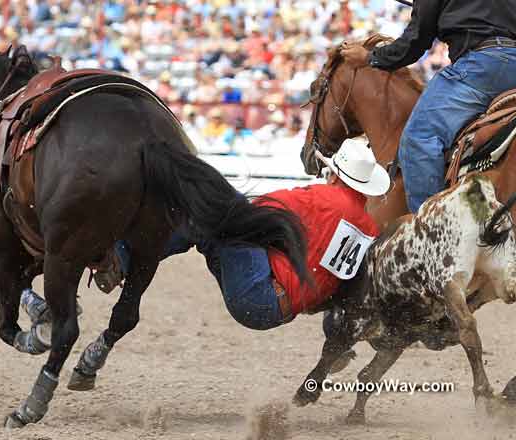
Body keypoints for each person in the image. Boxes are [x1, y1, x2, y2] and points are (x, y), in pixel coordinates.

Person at [103, 139, 389, 330]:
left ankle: (120, 261)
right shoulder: (368, 228)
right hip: (281, 308)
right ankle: (123, 260)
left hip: (259, 291)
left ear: (336, 175)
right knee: (208, 230)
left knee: (208, 215)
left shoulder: (322, 198)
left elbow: (256, 210)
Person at [340, 1, 516, 213]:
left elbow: (414, 42)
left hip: (480, 66)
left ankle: (428, 229)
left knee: (419, 138)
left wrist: (370, 57)